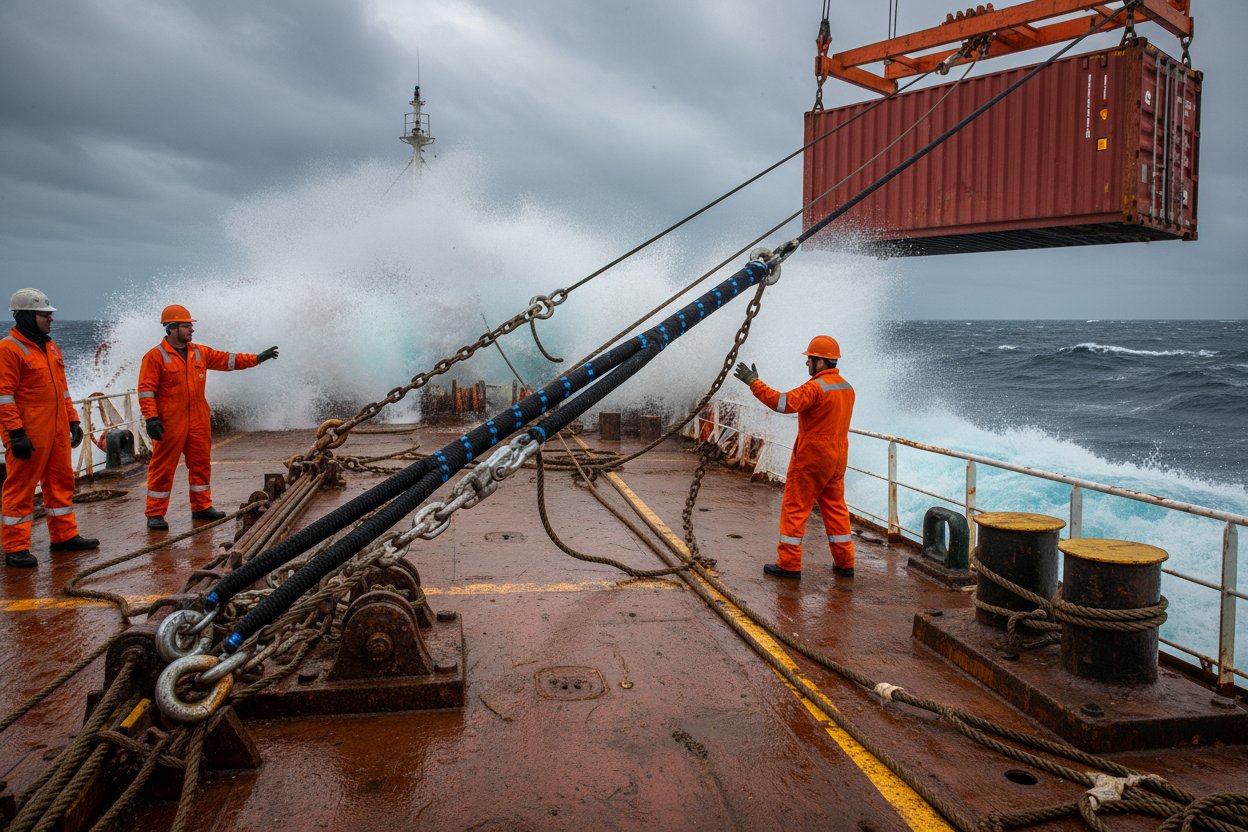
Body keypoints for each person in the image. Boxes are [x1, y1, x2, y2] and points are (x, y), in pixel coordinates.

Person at [138, 304, 278, 531]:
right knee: (163, 468)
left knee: (201, 464)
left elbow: (227, 360)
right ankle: (155, 513)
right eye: (186, 326)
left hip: (198, 420)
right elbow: (146, 390)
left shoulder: (199, 352)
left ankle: (201, 507)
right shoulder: (155, 357)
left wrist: (257, 358)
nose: (191, 329)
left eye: (190, 325)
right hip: (169, 422)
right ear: (171, 328)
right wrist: (151, 418)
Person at [734, 335, 855, 580]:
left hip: (812, 458)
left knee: (795, 507)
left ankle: (789, 564)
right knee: (836, 509)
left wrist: (754, 383)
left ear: (820, 362)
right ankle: (845, 563)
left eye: (809, 360)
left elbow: (783, 403)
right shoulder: (846, 388)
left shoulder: (815, 388)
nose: (807, 364)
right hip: (838, 458)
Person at [0, 288, 99, 568]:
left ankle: (64, 537)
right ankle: (16, 547)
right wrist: (15, 433)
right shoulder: (8, 349)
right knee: (21, 488)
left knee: (60, 483)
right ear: (26, 316)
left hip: (55, 430)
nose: (50, 319)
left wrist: (73, 420)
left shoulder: (50, 347)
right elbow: (3, 395)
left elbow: (63, 391)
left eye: (50, 315)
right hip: (28, 432)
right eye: (45, 315)